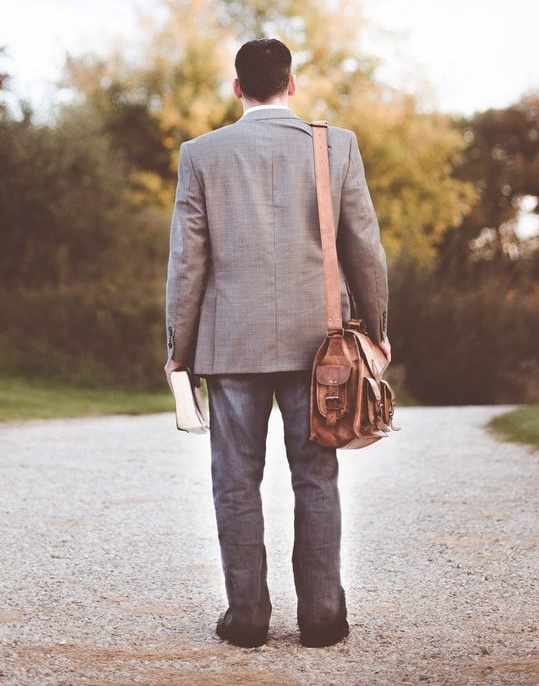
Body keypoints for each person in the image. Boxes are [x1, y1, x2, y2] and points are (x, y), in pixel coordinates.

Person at [164, 37, 389, 649]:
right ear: (291, 84)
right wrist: (376, 328)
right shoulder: (334, 146)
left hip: (230, 347)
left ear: (237, 88)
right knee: (315, 477)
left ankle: (246, 620)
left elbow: (188, 263)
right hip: (321, 350)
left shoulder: (201, 154)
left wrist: (180, 349)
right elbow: (363, 245)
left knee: (234, 481)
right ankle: (321, 618)